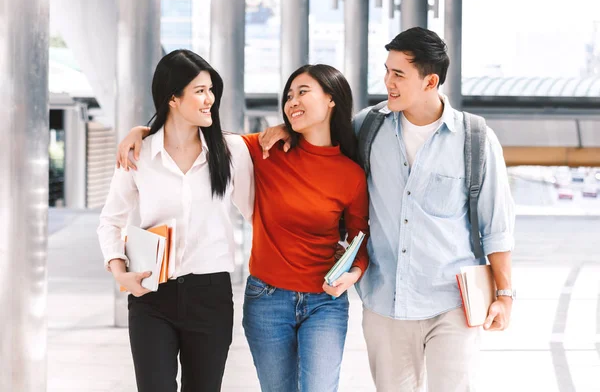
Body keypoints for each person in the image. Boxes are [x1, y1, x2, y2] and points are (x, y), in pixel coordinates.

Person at [259, 27, 516, 392]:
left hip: (453, 302)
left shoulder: (475, 140)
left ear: (430, 81)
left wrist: (505, 296)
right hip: (385, 303)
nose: (387, 82)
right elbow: (321, 145)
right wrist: (287, 129)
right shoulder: (368, 126)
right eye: (386, 70)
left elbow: (497, 227)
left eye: (399, 74)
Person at [115, 63, 370, 392]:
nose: (292, 101)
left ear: (332, 99)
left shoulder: (350, 174)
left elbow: (360, 237)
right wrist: (142, 131)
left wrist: (354, 272)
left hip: (325, 301)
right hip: (267, 299)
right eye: (288, 96)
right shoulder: (264, 151)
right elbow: (195, 136)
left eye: (302, 92)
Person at [97, 49, 254, 392]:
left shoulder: (232, 152)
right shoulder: (139, 154)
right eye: (199, 90)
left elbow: (257, 211)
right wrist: (120, 271)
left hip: (210, 295)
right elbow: (110, 221)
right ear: (172, 98)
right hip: (152, 294)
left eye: (211, 90)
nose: (209, 98)